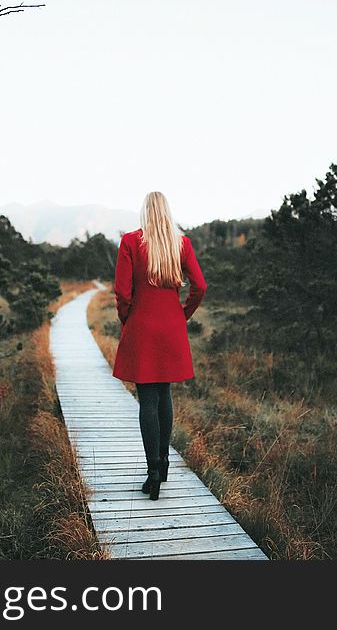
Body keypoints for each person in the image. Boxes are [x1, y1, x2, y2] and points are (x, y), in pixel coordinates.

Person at [111, 191, 207, 500]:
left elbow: (122, 292)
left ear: (145, 212)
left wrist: (129, 321)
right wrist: (183, 315)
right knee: (164, 393)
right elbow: (200, 287)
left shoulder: (130, 242)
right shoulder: (181, 244)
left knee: (147, 399)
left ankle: (152, 472)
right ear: (167, 212)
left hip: (142, 326)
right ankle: (164, 464)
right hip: (171, 327)